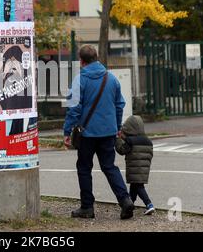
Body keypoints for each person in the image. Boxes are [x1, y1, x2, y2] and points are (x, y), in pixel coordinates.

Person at [63, 45, 134, 220]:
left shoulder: (79, 80)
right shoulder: (111, 79)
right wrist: (117, 127)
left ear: (81, 61)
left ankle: (87, 207)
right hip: (108, 132)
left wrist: (66, 131)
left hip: (87, 133)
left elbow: (74, 108)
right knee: (109, 167)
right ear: (97, 57)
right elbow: (120, 105)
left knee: (84, 168)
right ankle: (125, 200)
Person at [115, 115, 155, 215]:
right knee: (134, 185)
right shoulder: (147, 140)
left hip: (134, 167)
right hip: (144, 167)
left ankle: (149, 204)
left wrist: (118, 139)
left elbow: (121, 150)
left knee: (138, 186)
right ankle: (130, 203)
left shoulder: (130, 141)